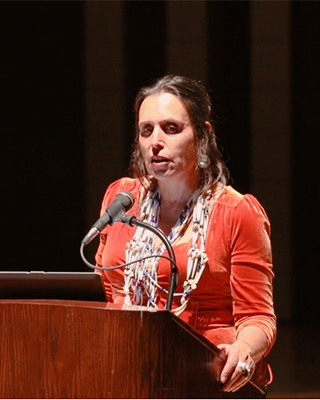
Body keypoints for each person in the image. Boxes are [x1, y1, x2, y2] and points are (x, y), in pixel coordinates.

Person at [93, 74, 276, 393]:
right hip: (125, 369)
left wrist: (243, 351)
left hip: (205, 375)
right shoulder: (121, 200)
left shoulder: (236, 212)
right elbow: (104, 294)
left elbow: (259, 318)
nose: (155, 142)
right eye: (146, 130)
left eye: (171, 128)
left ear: (202, 136)